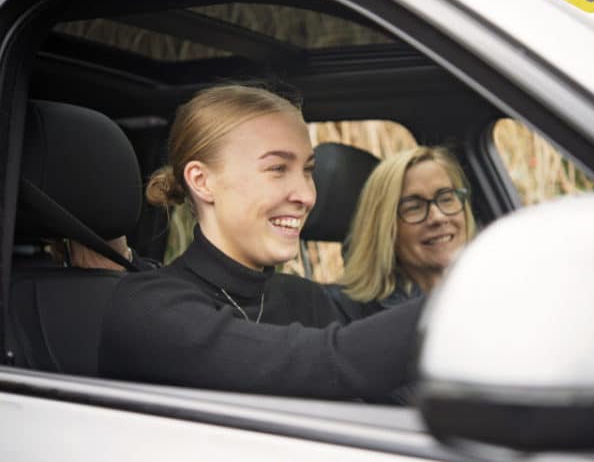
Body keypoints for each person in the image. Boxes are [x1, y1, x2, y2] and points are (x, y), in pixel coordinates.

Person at [98, 84, 422, 400]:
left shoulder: (305, 298)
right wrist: (451, 306)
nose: (307, 195)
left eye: (308, 170)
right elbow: (328, 365)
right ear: (203, 181)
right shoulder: (147, 308)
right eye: (278, 168)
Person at [328, 146, 476, 322]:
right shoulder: (347, 316)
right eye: (414, 207)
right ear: (385, 228)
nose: (438, 217)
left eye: (446, 199)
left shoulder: (496, 290)